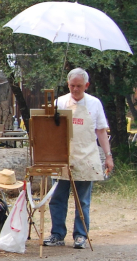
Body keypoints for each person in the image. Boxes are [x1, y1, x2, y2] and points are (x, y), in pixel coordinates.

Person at [44, 68, 113, 249]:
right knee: (58, 197)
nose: (75, 90)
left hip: (86, 156)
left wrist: (108, 156)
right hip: (62, 157)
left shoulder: (94, 103)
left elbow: (101, 131)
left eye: (79, 86)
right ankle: (57, 234)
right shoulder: (60, 102)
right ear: (68, 85)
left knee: (82, 200)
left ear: (86, 85)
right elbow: (49, 130)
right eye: (72, 86)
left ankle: (81, 235)